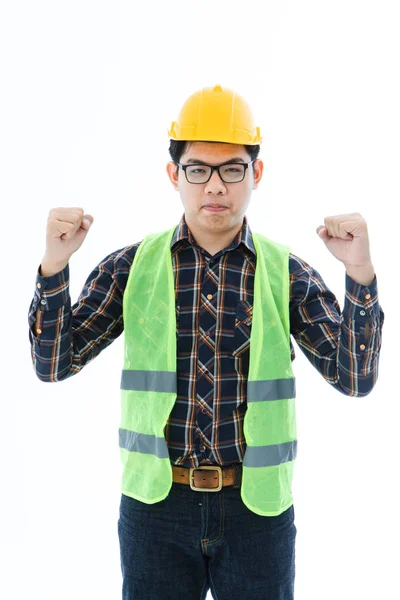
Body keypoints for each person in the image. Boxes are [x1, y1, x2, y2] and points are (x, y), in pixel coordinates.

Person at [28, 84, 385, 599]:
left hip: (257, 512)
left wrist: (359, 274)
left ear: (255, 174)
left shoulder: (285, 273)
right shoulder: (132, 268)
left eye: (232, 169)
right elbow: (54, 365)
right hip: (155, 510)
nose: (215, 186)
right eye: (198, 169)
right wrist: (54, 268)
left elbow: (354, 380)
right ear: (175, 175)